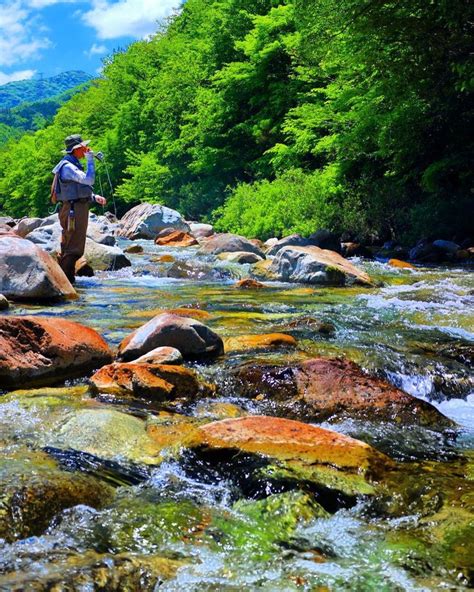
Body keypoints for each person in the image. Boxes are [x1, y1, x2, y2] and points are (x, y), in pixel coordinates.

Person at [52, 134, 107, 283]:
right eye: (83, 147)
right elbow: (89, 180)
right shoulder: (68, 166)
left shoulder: (72, 163)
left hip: (75, 207)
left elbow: (77, 188)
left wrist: (94, 197)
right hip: (73, 210)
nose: (85, 149)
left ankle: (67, 281)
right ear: (76, 149)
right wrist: (90, 159)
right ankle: (66, 283)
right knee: (74, 248)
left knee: (72, 245)